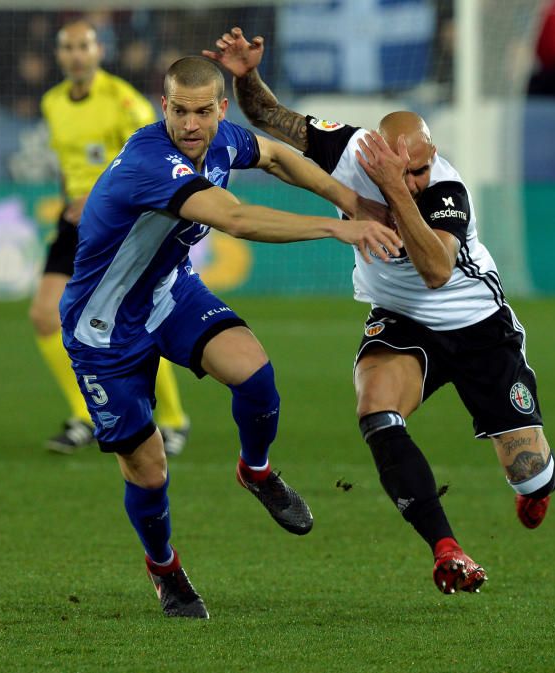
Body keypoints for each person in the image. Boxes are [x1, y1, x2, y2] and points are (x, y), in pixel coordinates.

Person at [205, 28, 555, 595]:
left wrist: (398, 189)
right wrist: (245, 75)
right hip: (401, 318)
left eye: (423, 166)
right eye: (408, 170)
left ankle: (538, 488)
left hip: (477, 327)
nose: (419, 177)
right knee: (376, 411)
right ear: (377, 150)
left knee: (528, 472)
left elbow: (436, 271)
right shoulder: (348, 149)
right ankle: (447, 549)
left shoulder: (446, 190)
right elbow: (269, 116)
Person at [60, 56, 401, 618]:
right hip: (104, 327)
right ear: (163, 106)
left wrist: (350, 199)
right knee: (148, 469)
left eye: (202, 111)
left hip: (167, 292)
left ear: (220, 108)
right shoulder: (150, 159)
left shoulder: (222, 140)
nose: (190, 124)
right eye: (179, 111)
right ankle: (165, 568)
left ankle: (256, 470)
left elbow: (275, 155)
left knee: (255, 374)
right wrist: (341, 227)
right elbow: (236, 220)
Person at [31, 20, 192, 455]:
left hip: (121, 221)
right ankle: (85, 415)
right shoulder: (52, 103)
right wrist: (70, 202)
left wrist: (101, 197)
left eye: (84, 46)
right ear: (59, 54)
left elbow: (153, 159)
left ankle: (174, 420)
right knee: (45, 315)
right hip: (75, 222)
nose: (76, 55)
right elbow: (67, 164)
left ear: (98, 50)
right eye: (68, 47)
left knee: (130, 323)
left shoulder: (123, 101)